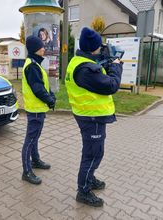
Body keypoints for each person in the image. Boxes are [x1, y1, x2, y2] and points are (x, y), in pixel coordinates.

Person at [65, 27, 123, 207]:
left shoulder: (80, 61)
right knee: (92, 154)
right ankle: (83, 190)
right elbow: (111, 85)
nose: (101, 49)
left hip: (90, 115)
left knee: (94, 152)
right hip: (91, 118)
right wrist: (116, 66)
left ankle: (90, 178)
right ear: (92, 48)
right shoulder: (86, 69)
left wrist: (106, 64)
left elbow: (98, 75)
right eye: (99, 46)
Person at [21, 35, 56, 185]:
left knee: (34, 138)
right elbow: (38, 89)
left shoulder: (35, 63)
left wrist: (51, 95)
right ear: (35, 49)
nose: (43, 48)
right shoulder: (32, 66)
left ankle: (35, 161)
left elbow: (43, 86)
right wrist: (50, 100)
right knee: (30, 140)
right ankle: (26, 171)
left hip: (38, 108)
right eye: (41, 46)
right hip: (35, 109)